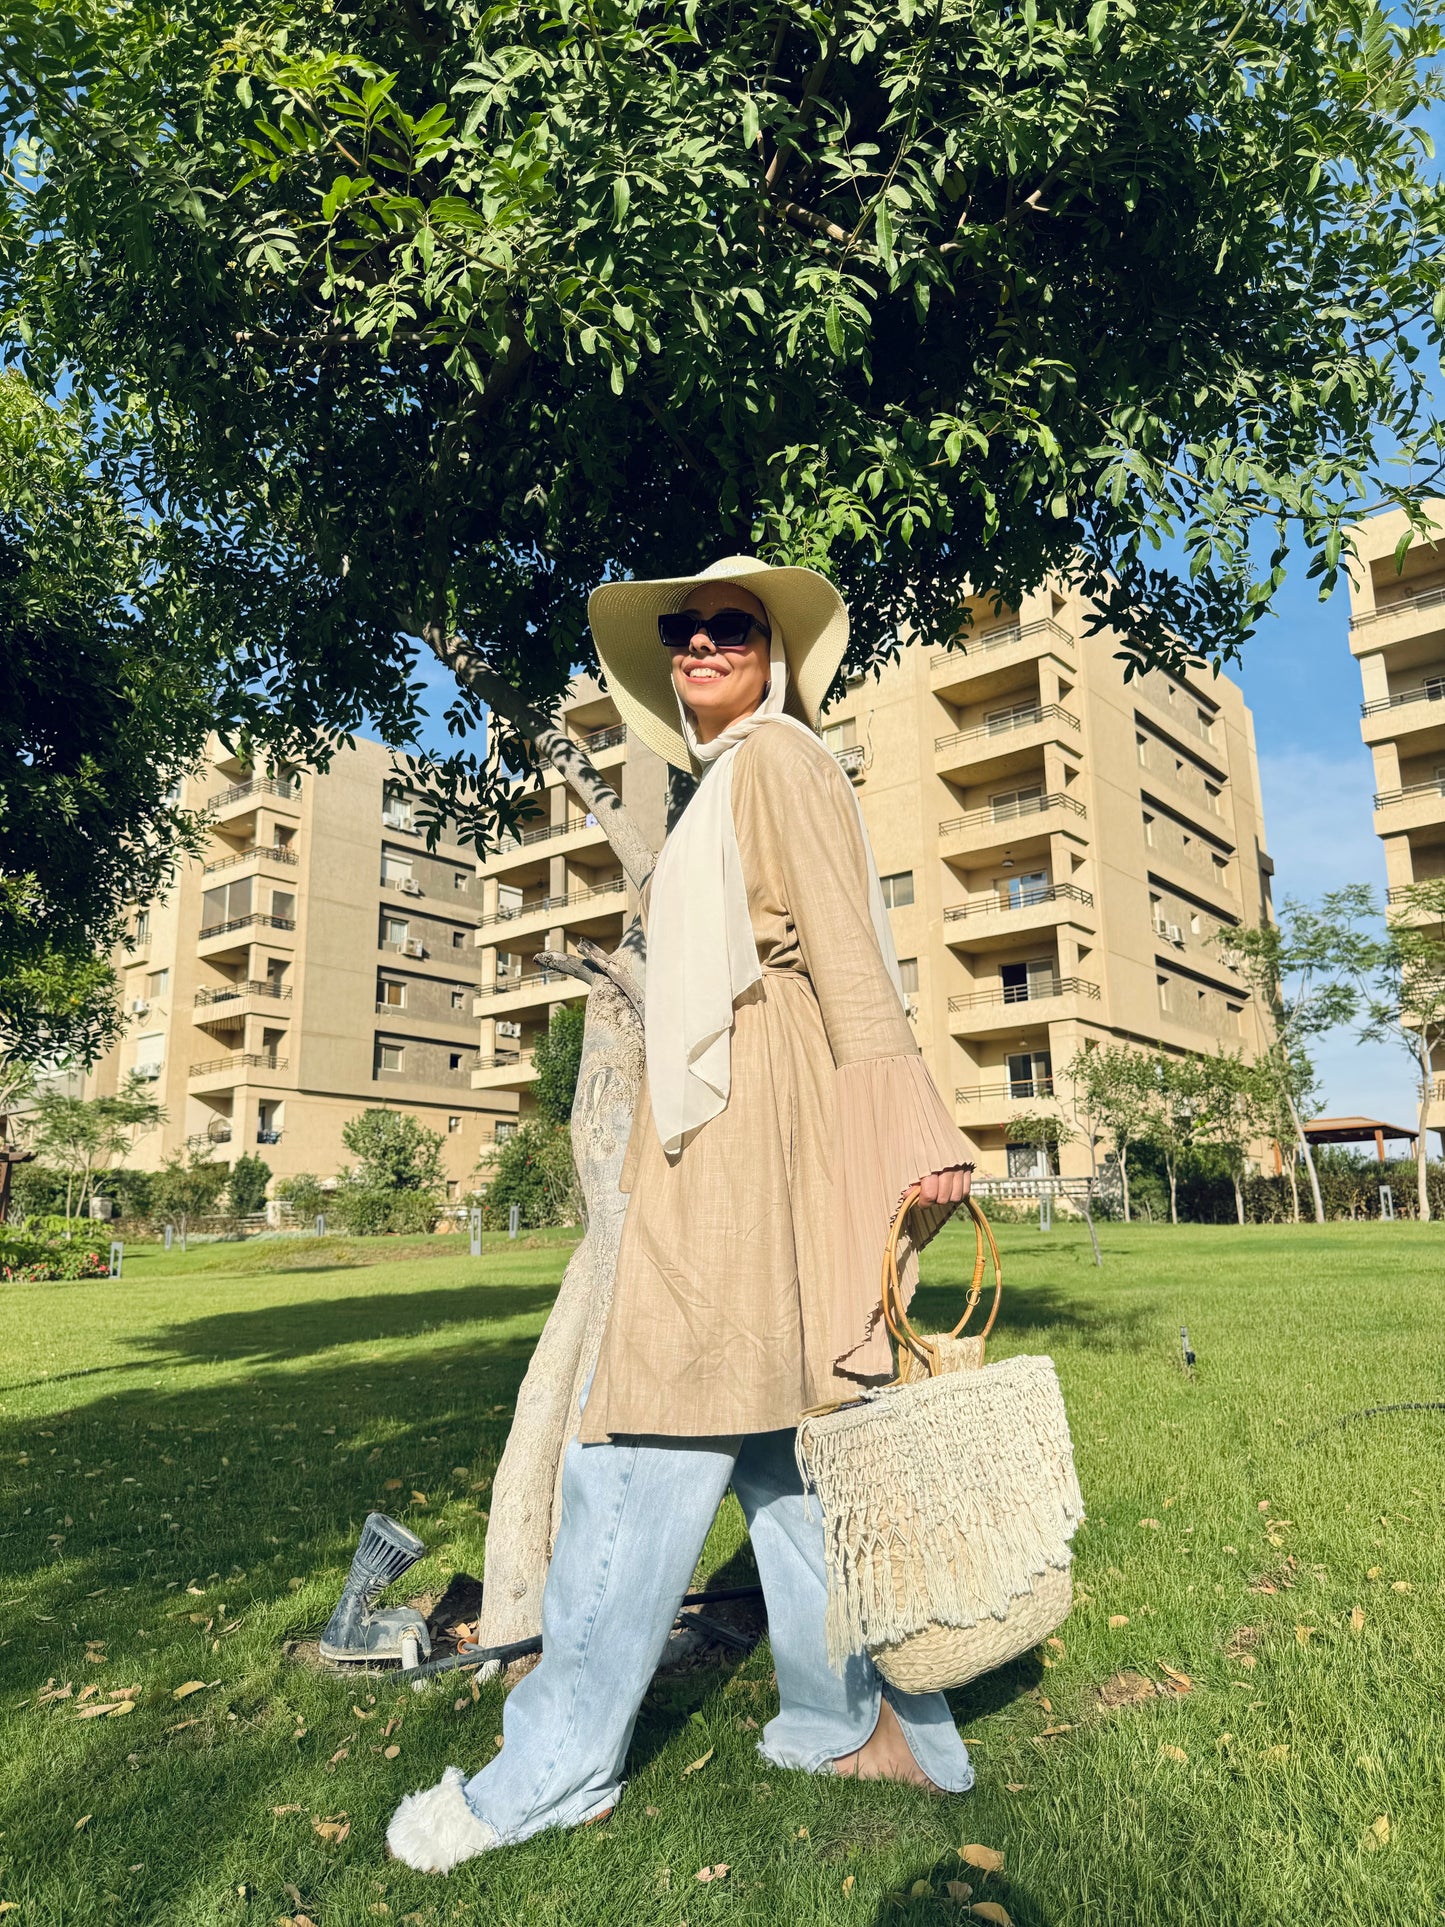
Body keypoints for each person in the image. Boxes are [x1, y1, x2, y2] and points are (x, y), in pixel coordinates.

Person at [388, 557, 976, 1873]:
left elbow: (845, 955)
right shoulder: (739, 776)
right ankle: (872, 1729)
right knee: (792, 1458)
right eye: (683, 629)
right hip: (735, 1131)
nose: (701, 642)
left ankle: (551, 1771)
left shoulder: (777, 764)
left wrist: (910, 1131)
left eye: (732, 625)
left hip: (748, 1141)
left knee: (635, 1442)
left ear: (774, 653)